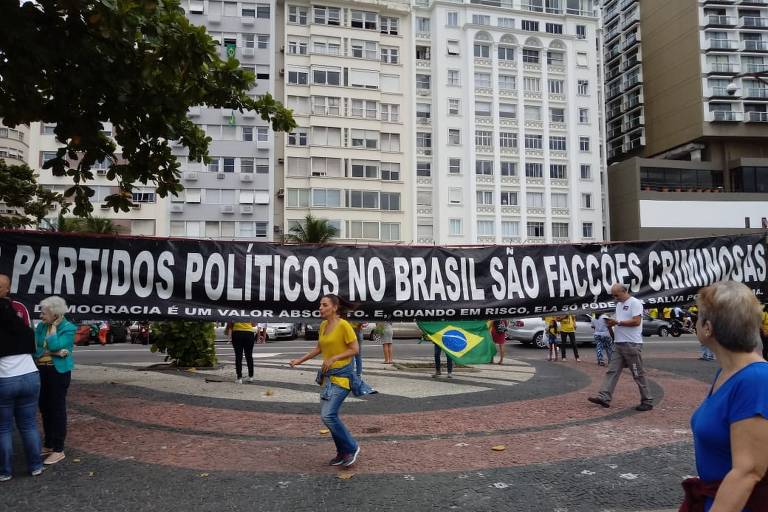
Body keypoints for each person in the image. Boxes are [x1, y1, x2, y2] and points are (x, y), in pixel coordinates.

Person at [681, 281, 768, 511]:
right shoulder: (729, 372)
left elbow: (748, 472)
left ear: (708, 328)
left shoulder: (755, 379)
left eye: (698, 317)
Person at [289, 294, 369, 468]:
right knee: (329, 417)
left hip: (343, 378)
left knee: (328, 415)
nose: (320, 308)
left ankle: (352, 447)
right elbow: (318, 348)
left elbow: (355, 349)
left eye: (324, 305)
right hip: (328, 379)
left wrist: (334, 358)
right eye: (320, 304)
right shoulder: (324, 325)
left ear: (334, 307)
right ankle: (342, 452)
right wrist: (299, 360)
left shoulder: (344, 325)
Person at [0, 274, 43, 482]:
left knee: (3, 428)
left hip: (5, 378)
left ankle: (5, 471)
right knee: (29, 424)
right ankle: (35, 466)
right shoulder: (21, 321)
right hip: (30, 376)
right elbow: (33, 344)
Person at [588, 283, 653, 411]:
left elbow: (637, 321)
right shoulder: (619, 305)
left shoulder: (635, 303)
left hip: (631, 344)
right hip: (619, 343)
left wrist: (618, 322)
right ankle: (604, 397)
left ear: (624, 291)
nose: (615, 298)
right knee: (612, 371)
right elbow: (618, 322)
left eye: (616, 295)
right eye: (613, 295)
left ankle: (647, 400)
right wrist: (611, 324)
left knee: (637, 373)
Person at [35, 296, 76, 465]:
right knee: (44, 407)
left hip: (58, 373)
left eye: (44, 313)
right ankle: (49, 443)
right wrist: (54, 353)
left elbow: (54, 345)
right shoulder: (41, 327)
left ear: (55, 314)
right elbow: (35, 348)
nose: (40, 316)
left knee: (57, 409)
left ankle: (59, 450)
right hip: (41, 371)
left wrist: (52, 331)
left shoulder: (68, 328)